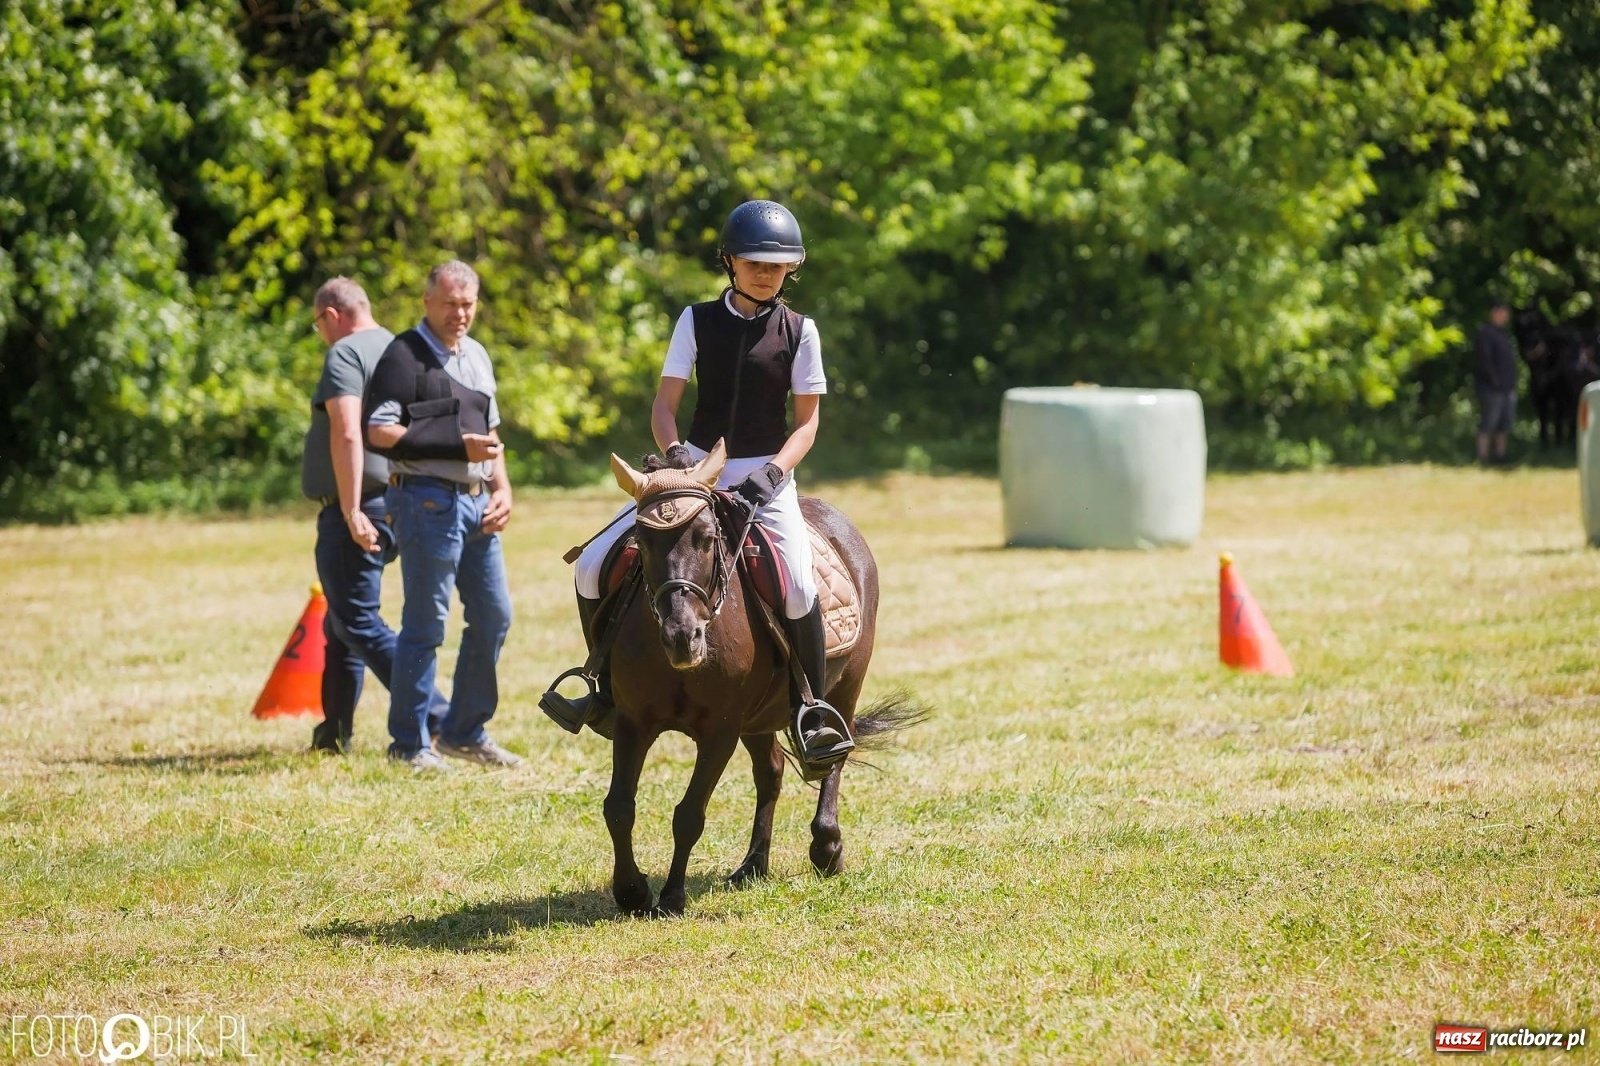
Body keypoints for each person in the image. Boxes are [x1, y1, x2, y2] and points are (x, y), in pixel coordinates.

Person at [541, 200, 853, 768]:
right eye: (754, 262)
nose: (765, 273)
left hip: (766, 472)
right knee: (591, 565)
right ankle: (601, 684)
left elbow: (807, 423)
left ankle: (809, 709)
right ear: (729, 262)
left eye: (777, 265)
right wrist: (675, 453)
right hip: (693, 470)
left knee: (800, 587)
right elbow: (665, 406)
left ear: (791, 270)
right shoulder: (695, 320)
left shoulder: (800, 332)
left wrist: (774, 471)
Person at [363, 261, 519, 772]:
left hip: (478, 504)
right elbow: (378, 430)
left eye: (468, 303)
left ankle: (464, 732)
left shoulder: (476, 355)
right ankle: (409, 744)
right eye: (450, 303)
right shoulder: (403, 355)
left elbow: (491, 437)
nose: (461, 313)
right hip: (426, 502)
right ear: (427, 302)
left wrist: (503, 488)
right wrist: (455, 445)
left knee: (495, 615)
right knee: (426, 624)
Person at [300, 276, 448, 754]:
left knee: (358, 620)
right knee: (341, 622)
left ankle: (439, 717)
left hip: (361, 505)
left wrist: (349, 509)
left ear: (332, 315)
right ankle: (333, 733)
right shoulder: (406, 348)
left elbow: (346, 433)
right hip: (407, 499)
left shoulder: (345, 353)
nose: (322, 333)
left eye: (318, 324)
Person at [1475, 301, 1518, 464]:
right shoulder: (1485, 332)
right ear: (1493, 313)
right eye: (1500, 312)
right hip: (1491, 388)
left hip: (1508, 387)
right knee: (1488, 423)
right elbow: (1485, 360)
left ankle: (1501, 456)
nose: (1503, 316)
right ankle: (1482, 457)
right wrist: (1495, 380)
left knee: (1504, 425)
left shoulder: (1503, 333)